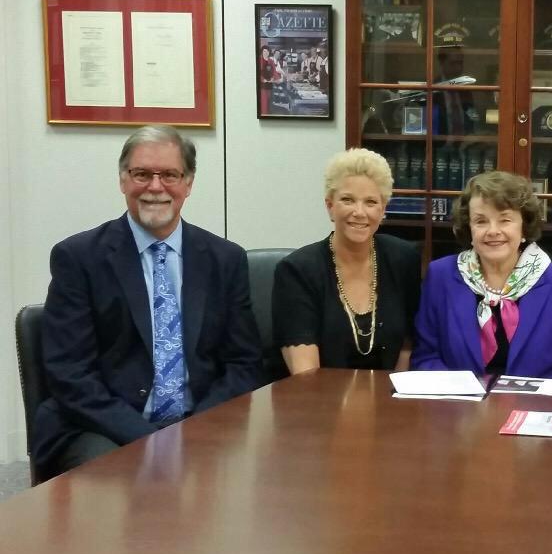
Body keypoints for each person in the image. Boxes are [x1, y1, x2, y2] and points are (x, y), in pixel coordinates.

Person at [32, 125, 264, 479]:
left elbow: (244, 364)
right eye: (142, 174)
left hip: (200, 421)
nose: (156, 187)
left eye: (170, 175)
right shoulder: (78, 258)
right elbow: (70, 375)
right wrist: (150, 440)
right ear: (123, 180)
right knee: (129, 483)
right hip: (101, 427)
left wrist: (197, 429)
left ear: (188, 183)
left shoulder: (225, 259)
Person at [411, 170, 552, 380]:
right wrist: (461, 389)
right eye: (481, 221)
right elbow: (424, 358)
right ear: (469, 228)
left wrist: (537, 393)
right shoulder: (441, 276)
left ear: (524, 227)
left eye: (505, 220)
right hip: (460, 400)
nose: (493, 231)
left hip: (539, 400)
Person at [273, 148, 420, 374]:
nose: (359, 212)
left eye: (371, 202)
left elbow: (408, 345)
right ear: (330, 206)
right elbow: (306, 375)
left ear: (383, 209)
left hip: (390, 393)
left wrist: (394, 392)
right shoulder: (297, 271)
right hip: (318, 394)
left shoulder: (403, 259)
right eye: (347, 200)